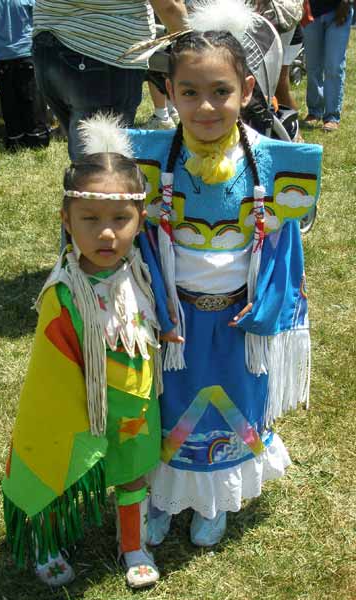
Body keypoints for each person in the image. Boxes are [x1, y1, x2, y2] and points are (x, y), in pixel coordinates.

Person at [128, 0, 322, 547]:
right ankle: (165, 498)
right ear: (168, 92)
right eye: (190, 92)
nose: (206, 106)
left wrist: (269, 309)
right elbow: (134, 241)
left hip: (239, 320)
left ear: (249, 93)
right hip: (174, 323)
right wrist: (148, 311)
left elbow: (284, 250)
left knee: (232, 409)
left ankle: (214, 502)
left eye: (221, 92)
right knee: (169, 411)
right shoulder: (147, 160)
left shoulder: (274, 164)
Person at [2, 115, 171, 589]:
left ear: (141, 219)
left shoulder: (141, 273)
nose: (106, 234)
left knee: (134, 472)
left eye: (120, 219)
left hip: (133, 405)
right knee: (66, 471)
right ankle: (47, 540)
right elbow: (50, 377)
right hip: (78, 408)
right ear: (66, 219)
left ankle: (132, 543)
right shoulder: (64, 293)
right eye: (90, 220)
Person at [32, 0, 188, 160]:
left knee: (86, 157)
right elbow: (169, 7)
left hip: (49, 46)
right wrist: (195, 47)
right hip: (101, 54)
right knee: (103, 166)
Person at [0, 0, 49, 150]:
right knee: (32, 98)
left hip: (4, 58)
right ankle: (37, 138)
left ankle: (15, 139)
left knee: (10, 100)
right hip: (28, 52)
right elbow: (42, 21)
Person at [302, 0, 354, 132]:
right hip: (311, 11)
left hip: (339, 10)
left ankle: (332, 116)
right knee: (312, 66)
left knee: (334, 66)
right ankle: (314, 111)